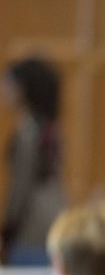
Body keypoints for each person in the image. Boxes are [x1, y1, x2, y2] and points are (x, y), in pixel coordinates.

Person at [2, 56, 66, 261]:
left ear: (23, 88)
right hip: (57, 212)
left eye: (8, 84)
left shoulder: (28, 131)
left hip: (33, 225)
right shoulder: (50, 125)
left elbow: (22, 186)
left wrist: (7, 229)